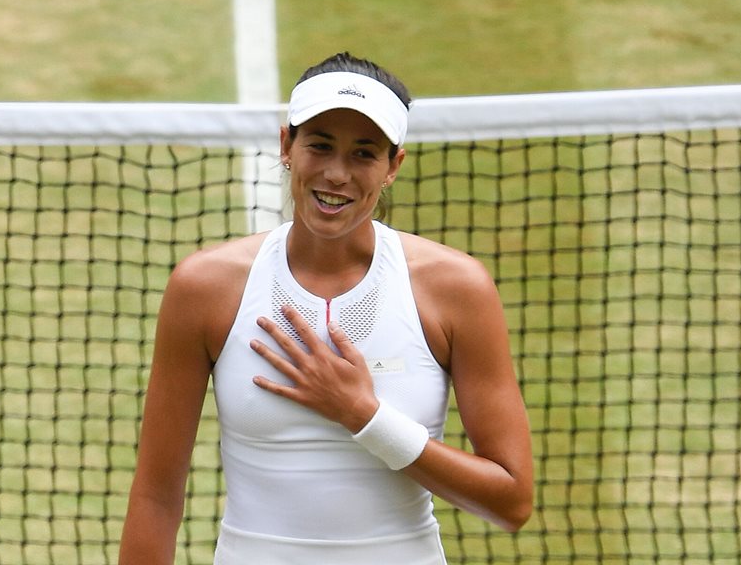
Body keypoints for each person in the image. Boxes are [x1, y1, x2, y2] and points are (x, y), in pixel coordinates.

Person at [119, 52, 533, 564]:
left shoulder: (456, 289)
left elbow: (512, 502)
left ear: (392, 167)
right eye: (320, 145)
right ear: (286, 146)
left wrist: (363, 415)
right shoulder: (205, 288)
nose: (337, 173)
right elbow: (157, 498)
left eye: (363, 153)